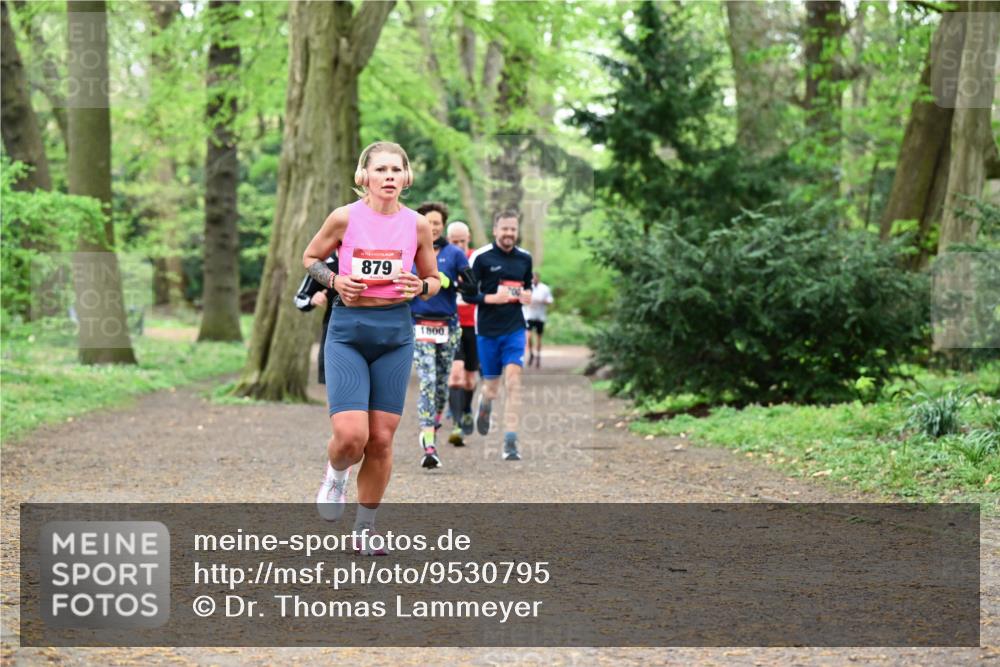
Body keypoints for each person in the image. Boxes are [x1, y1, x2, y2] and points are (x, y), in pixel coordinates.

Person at [304, 141, 441, 555]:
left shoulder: (417, 224)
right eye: (380, 169)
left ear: (407, 177)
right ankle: (336, 475)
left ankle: (365, 529)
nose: (388, 177)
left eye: (396, 170)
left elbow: (433, 279)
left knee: (381, 439)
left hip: (395, 334)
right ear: (363, 176)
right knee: (351, 437)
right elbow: (311, 257)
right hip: (348, 329)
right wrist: (333, 281)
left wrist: (421, 286)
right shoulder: (344, 218)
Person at [466, 210, 532, 461]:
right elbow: (467, 294)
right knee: (492, 387)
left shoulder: (525, 258)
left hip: (515, 328)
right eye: (504, 229)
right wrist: (491, 298)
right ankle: (484, 404)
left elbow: (527, 288)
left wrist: (527, 296)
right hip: (487, 330)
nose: (509, 234)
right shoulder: (481, 258)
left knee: (514, 383)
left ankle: (510, 441)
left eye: (513, 230)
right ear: (495, 230)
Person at [410, 202, 469, 469]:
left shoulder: (454, 253)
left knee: (442, 385)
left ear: (442, 225)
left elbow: (471, 286)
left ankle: (433, 424)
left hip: (448, 325)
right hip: (418, 324)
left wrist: (448, 281)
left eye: (437, 223)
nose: (432, 227)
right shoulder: (408, 249)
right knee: (428, 381)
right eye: (427, 222)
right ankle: (429, 443)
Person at [445, 221, 479, 447]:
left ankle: (466, 409)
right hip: (451, 323)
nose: (458, 245)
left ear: (469, 239)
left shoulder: (477, 259)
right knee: (455, 374)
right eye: (454, 241)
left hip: (475, 326)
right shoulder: (444, 258)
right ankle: (457, 425)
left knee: (469, 379)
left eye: (462, 241)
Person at [293, 255, 339, 384]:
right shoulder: (326, 264)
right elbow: (300, 298)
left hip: (374, 334)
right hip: (335, 334)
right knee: (337, 389)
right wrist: (313, 299)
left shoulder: (375, 255)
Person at [523, 272, 554, 368]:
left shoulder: (544, 288)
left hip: (540, 316)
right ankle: (531, 353)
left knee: (539, 337)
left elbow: (550, 300)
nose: (533, 280)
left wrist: (543, 301)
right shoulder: (527, 288)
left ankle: (538, 356)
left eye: (535, 278)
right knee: (528, 336)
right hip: (529, 315)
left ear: (538, 278)